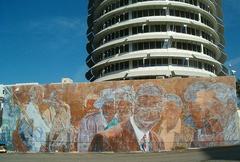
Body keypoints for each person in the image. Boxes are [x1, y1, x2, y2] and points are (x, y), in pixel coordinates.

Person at [88, 83, 165, 152]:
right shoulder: (105, 139)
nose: (149, 110)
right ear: (134, 105)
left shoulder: (158, 141)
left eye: (155, 105)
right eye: (144, 103)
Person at [184, 82, 240, 147]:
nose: (208, 109)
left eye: (214, 104)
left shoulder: (234, 128)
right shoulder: (205, 126)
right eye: (208, 104)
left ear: (230, 106)